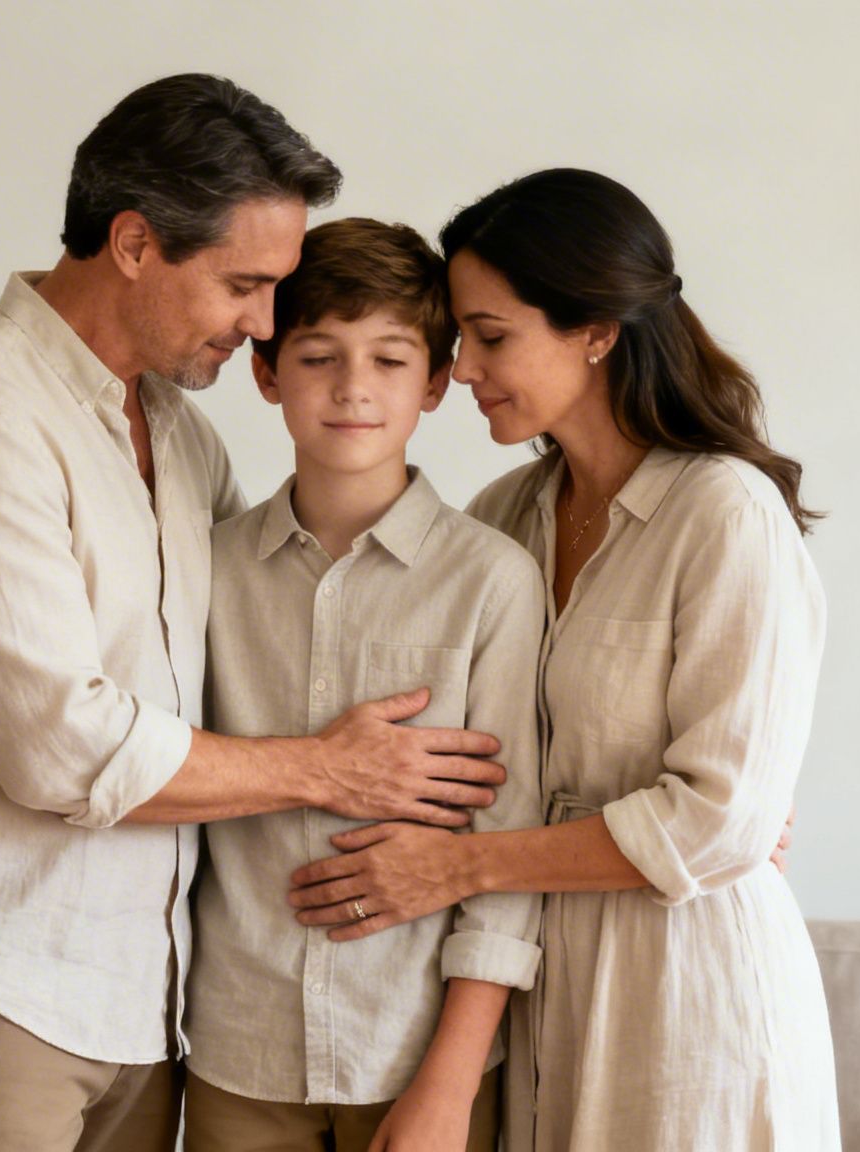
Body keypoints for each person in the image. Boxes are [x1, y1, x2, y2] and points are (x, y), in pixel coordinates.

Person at [0, 74, 514, 1152]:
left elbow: (231, 652)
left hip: (138, 1007)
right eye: (244, 284)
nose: (260, 324)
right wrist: (331, 769)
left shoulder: (179, 438)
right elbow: (61, 744)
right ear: (137, 244)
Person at [285, 169, 841, 1149]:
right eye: (461, 341)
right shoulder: (506, 516)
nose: (459, 372)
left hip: (687, 985)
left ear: (594, 330)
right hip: (538, 987)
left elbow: (720, 820)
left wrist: (457, 866)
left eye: (491, 337)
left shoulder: (724, 514)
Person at [181, 218, 543, 1150]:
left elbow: (508, 854)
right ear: (266, 372)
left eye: (388, 360)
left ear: (433, 381)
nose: (352, 388)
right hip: (238, 1050)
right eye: (317, 356)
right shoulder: (202, 569)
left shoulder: (492, 581)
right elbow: (114, 729)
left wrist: (450, 1086)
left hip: (420, 1058)